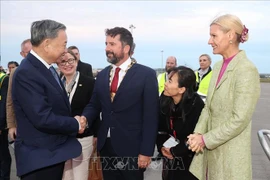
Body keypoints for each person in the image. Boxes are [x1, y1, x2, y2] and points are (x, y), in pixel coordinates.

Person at [188, 14, 261, 180]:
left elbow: (240, 119)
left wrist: (205, 139)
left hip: (230, 157)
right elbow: (208, 107)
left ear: (230, 36)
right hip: (210, 155)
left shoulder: (246, 70)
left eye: (214, 35)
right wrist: (198, 134)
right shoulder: (219, 65)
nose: (209, 41)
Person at [80, 27, 159, 180]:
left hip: (133, 148)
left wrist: (146, 151)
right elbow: (94, 104)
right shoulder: (102, 75)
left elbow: (151, 116)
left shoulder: (146, 75)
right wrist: (84, 118)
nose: (107, 48)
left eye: (112, 44)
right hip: (106, 146)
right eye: (106, 44)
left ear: (126, 48)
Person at [12, 19, 87, 180]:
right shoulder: (28, 73)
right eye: (63, 44)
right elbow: (42, 117)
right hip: (40, 158)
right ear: (47, 44)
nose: (65, 49)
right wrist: (74, 123)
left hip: (50, 155)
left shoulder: (44, 69)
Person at [156, 66, 204, 180]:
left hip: (190, 159)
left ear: (181, 89)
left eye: (170, 81)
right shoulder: (165, 99)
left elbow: (196, 135)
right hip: (170, 156)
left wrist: (175, 151)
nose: (166, 84)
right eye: (167, 80)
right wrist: (162, 146)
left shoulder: (196, 106)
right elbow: (160, 127)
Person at [58, 50, 97, 180]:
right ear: (58, 64)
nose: (67, 64)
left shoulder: (89, 82)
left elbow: (94, 107)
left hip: (82, 138)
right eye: (63, 61)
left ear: (76, 62)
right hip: (61, 138)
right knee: (65, 176)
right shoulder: (55, 83)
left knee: (80, 176)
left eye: (70, 60)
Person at [7, 39, 32, 142]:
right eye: (29, 52)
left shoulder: (47, 70)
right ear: (22, 54)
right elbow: (10, 100)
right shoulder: (16, 72)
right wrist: (11, 125)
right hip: (22, 125)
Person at [0, 71, 11, 180]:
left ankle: (4, 177)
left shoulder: (3, 78)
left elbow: (4, 103)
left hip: (0, 124)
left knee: (2, 153)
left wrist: (1, 124)